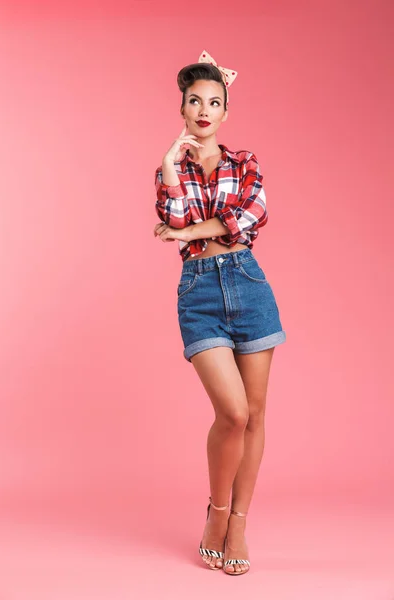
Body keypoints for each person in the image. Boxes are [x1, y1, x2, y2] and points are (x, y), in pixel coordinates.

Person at [153, 51, 287, 576]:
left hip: (249, 285)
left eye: (214, 102)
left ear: (225, 112)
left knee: (254, 416)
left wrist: (188, 232)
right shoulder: (170, 169)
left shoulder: (244, 161)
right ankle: (217, 509)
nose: (204, 110)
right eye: (195, 101)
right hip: (200, 292)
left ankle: (238, 525)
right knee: (232, 412)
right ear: (182, 108)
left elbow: (253, 215)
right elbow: (174, 215)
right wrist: (169, 170)